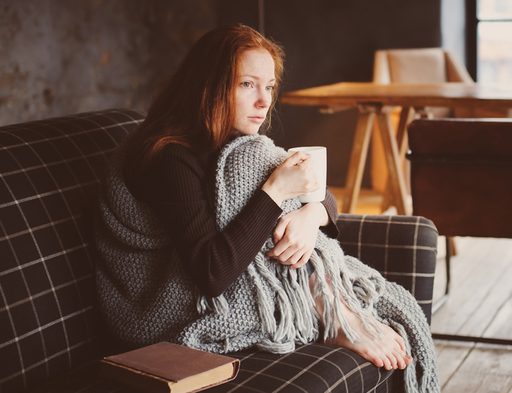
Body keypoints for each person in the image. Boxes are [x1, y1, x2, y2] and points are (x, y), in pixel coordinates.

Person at [106, 24, 413, 371]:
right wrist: (277, 190)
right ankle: (333, 311)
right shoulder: (170, 157)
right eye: (247, 84)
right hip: (159, 307)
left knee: (258, 160)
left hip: (217, 275)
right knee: (255, 161)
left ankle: (332, 304)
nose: (264, 101)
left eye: (268, 86)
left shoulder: (225, 138)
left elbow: (324, 197)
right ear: (209, 86)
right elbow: (212, 273)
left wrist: (309, 216)